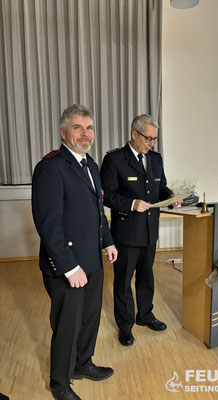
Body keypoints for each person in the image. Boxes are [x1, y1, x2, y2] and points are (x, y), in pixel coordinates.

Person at [32, 104, 118, 400]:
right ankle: (60, 383)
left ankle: (82, 364)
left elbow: (97, 210)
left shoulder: (90, 164)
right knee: (67, 326)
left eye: (89, 127)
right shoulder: (51, 167)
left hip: (92, 259)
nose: (86, 133)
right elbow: (48, 224)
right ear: (63, 133)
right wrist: (69, 267)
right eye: (78, 128)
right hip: (66, 265)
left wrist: (108, 240)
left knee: (90, 318)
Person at [100, 114, 181, 347]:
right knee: (123, 281)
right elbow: (107, 196)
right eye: (148, 138)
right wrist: (131, 204)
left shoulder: (155, 159)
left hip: (149, 231)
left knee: (147, 277)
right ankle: (125, 326)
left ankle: (145, 315)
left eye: (155, 139)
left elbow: (160, 186)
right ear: (134, 134)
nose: (151, 143)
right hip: (126, 233)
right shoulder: (115, 160)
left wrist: (171, 196)